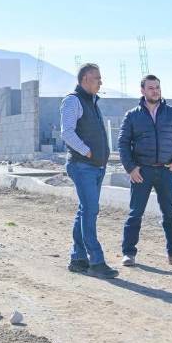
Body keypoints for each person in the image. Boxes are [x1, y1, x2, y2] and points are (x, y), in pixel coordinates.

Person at [117, 75, 172, 267]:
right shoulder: (132, 115)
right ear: (142, 91)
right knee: (135, 214)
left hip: (166, 171)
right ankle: (128, 253)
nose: (155, 91)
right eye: (151, 88)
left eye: (157, 87)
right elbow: (123, 144)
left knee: (170, 214)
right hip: (142, 172)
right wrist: (131, 168)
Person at [61, 63, 118, 279]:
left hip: (95, 166)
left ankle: (78, 259)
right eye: (97, 78)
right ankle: (96, 261)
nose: (101, 82)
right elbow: (67, 133)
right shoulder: (72, 100)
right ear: (85, 78)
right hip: (82, 166)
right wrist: (86, 152)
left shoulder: (92, 101)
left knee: (85, 210)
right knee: (90, 211)